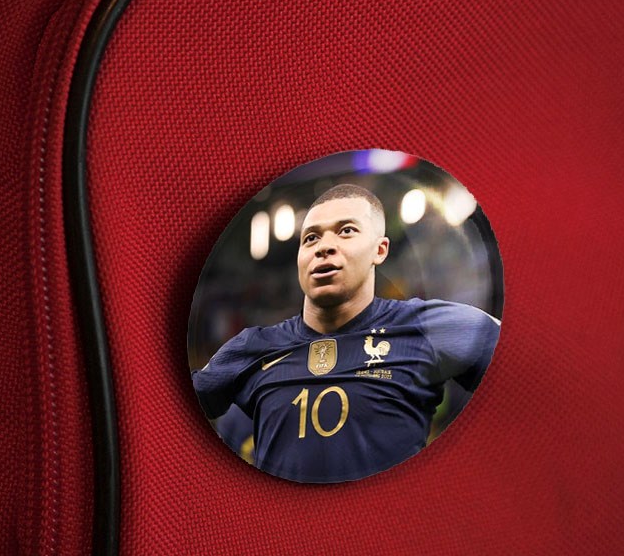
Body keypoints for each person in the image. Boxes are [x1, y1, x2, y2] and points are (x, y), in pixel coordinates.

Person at [193, 184, 500, 483]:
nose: (323, 246)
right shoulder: (253, 348)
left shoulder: (427, 327)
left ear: (379, 250)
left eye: (346, 231)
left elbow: (523, 369)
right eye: (311, 238)